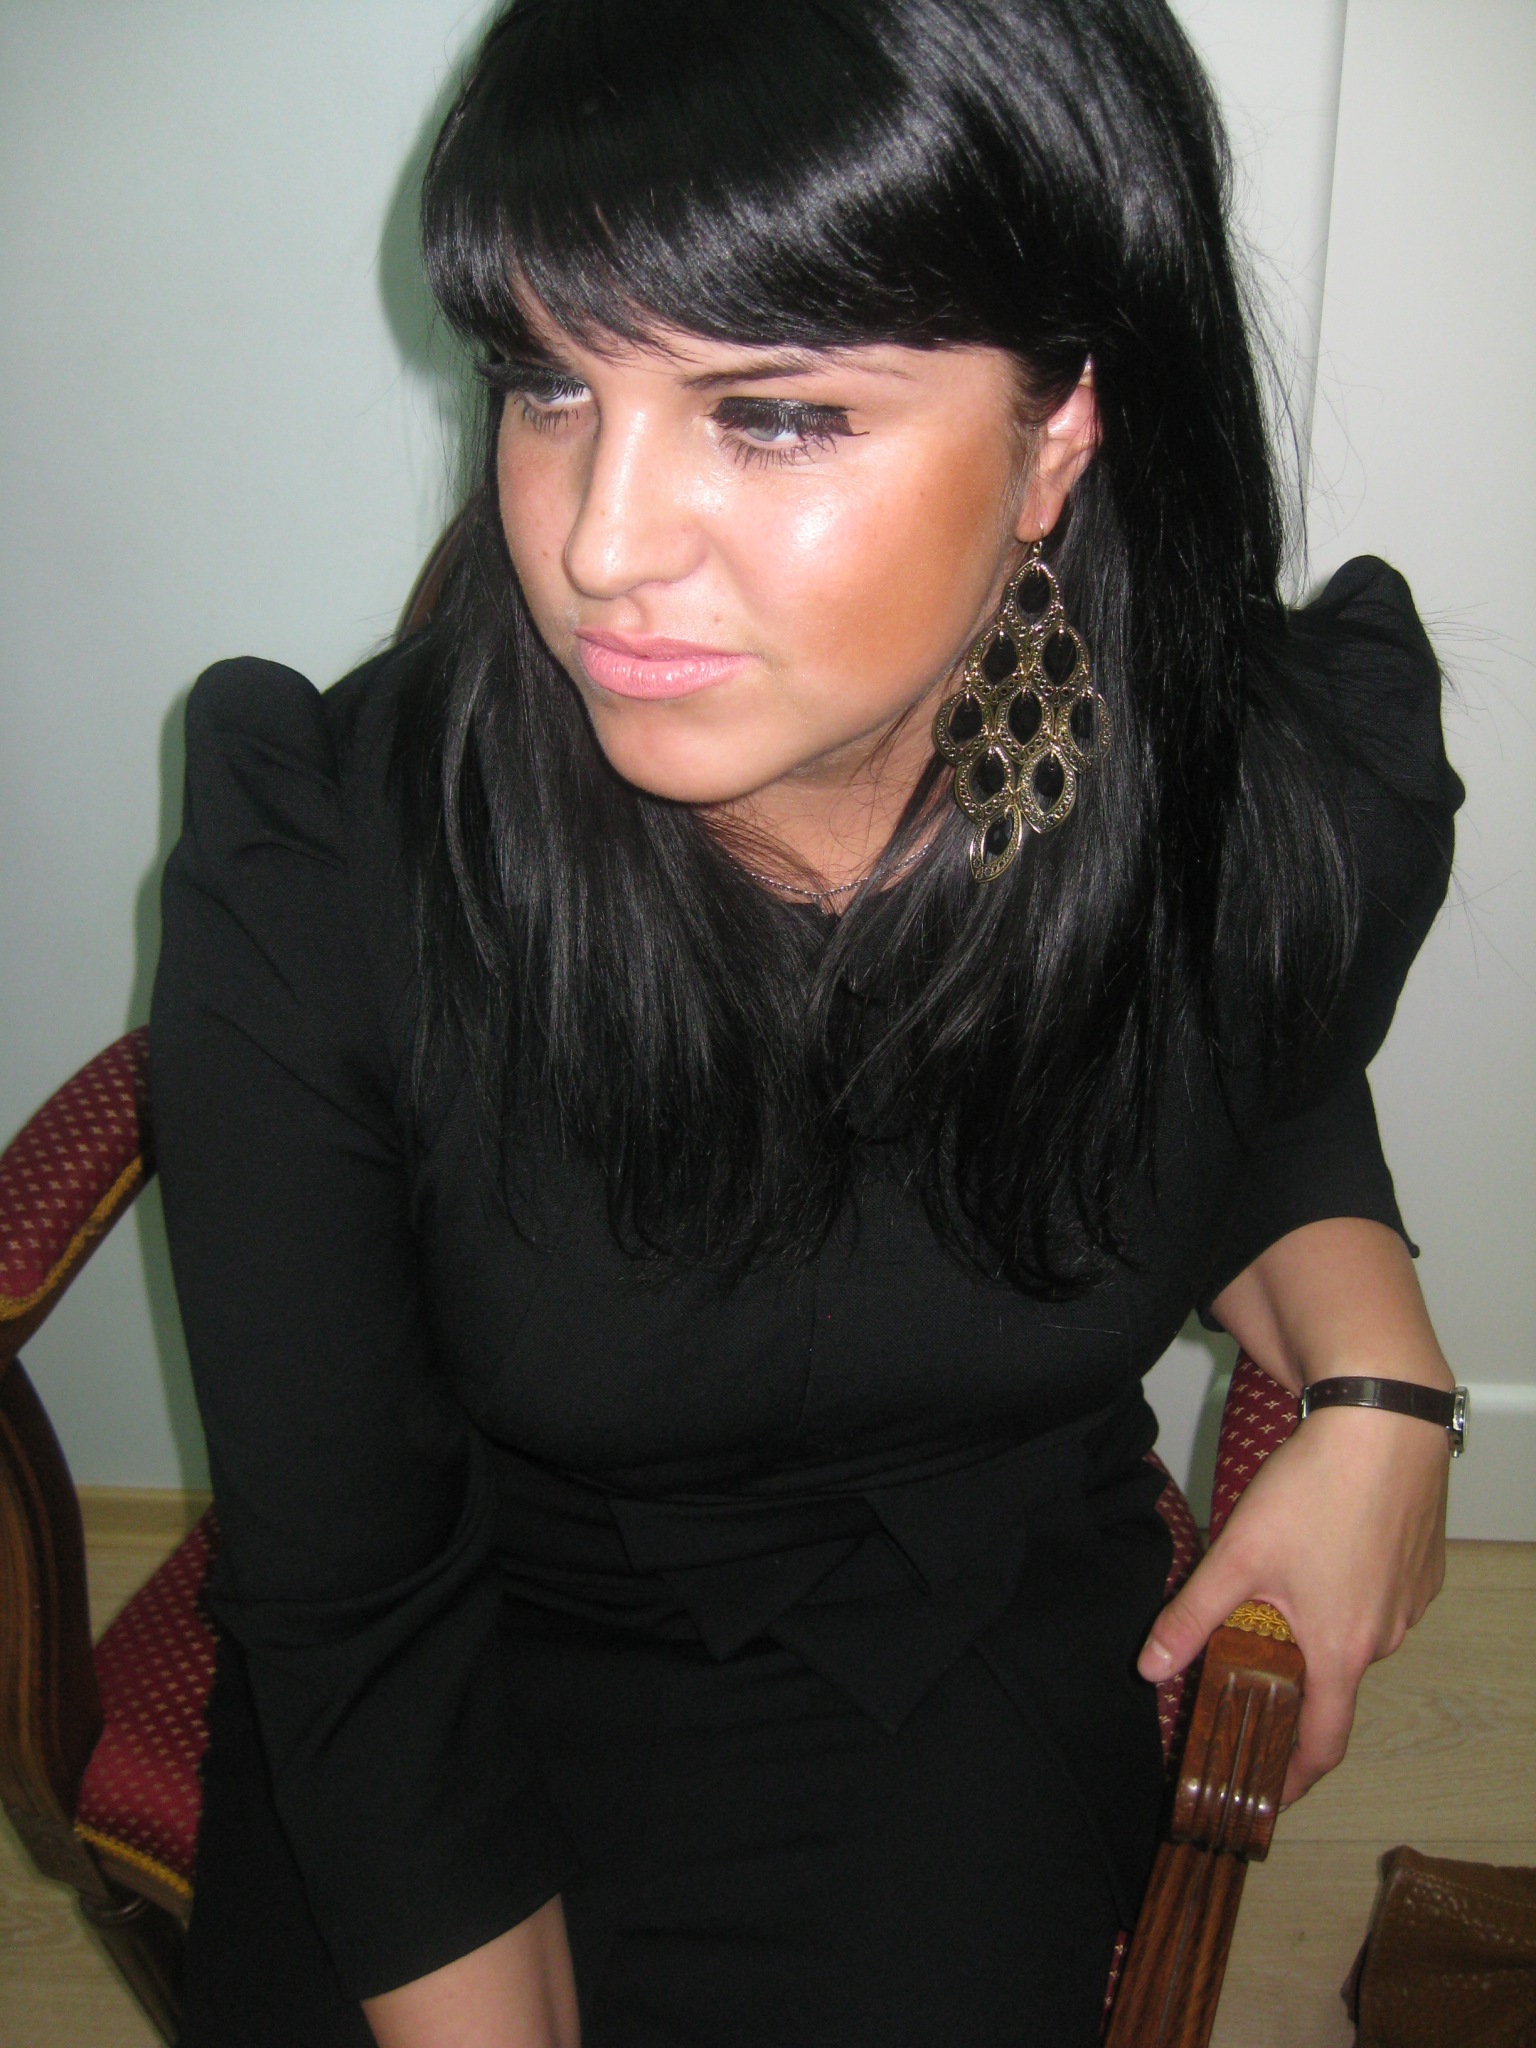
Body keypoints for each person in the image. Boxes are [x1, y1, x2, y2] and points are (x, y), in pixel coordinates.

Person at [149, 2, 1465, 2043]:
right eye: (548, 383)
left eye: (770, 413)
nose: (597, 546)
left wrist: (1386, 1388)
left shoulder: (1251, 797)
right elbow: (356, 1607)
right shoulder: (334, 875)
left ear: (1061, 431)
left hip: (955, 1626)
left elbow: (1254, 1068)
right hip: (460, 1659)